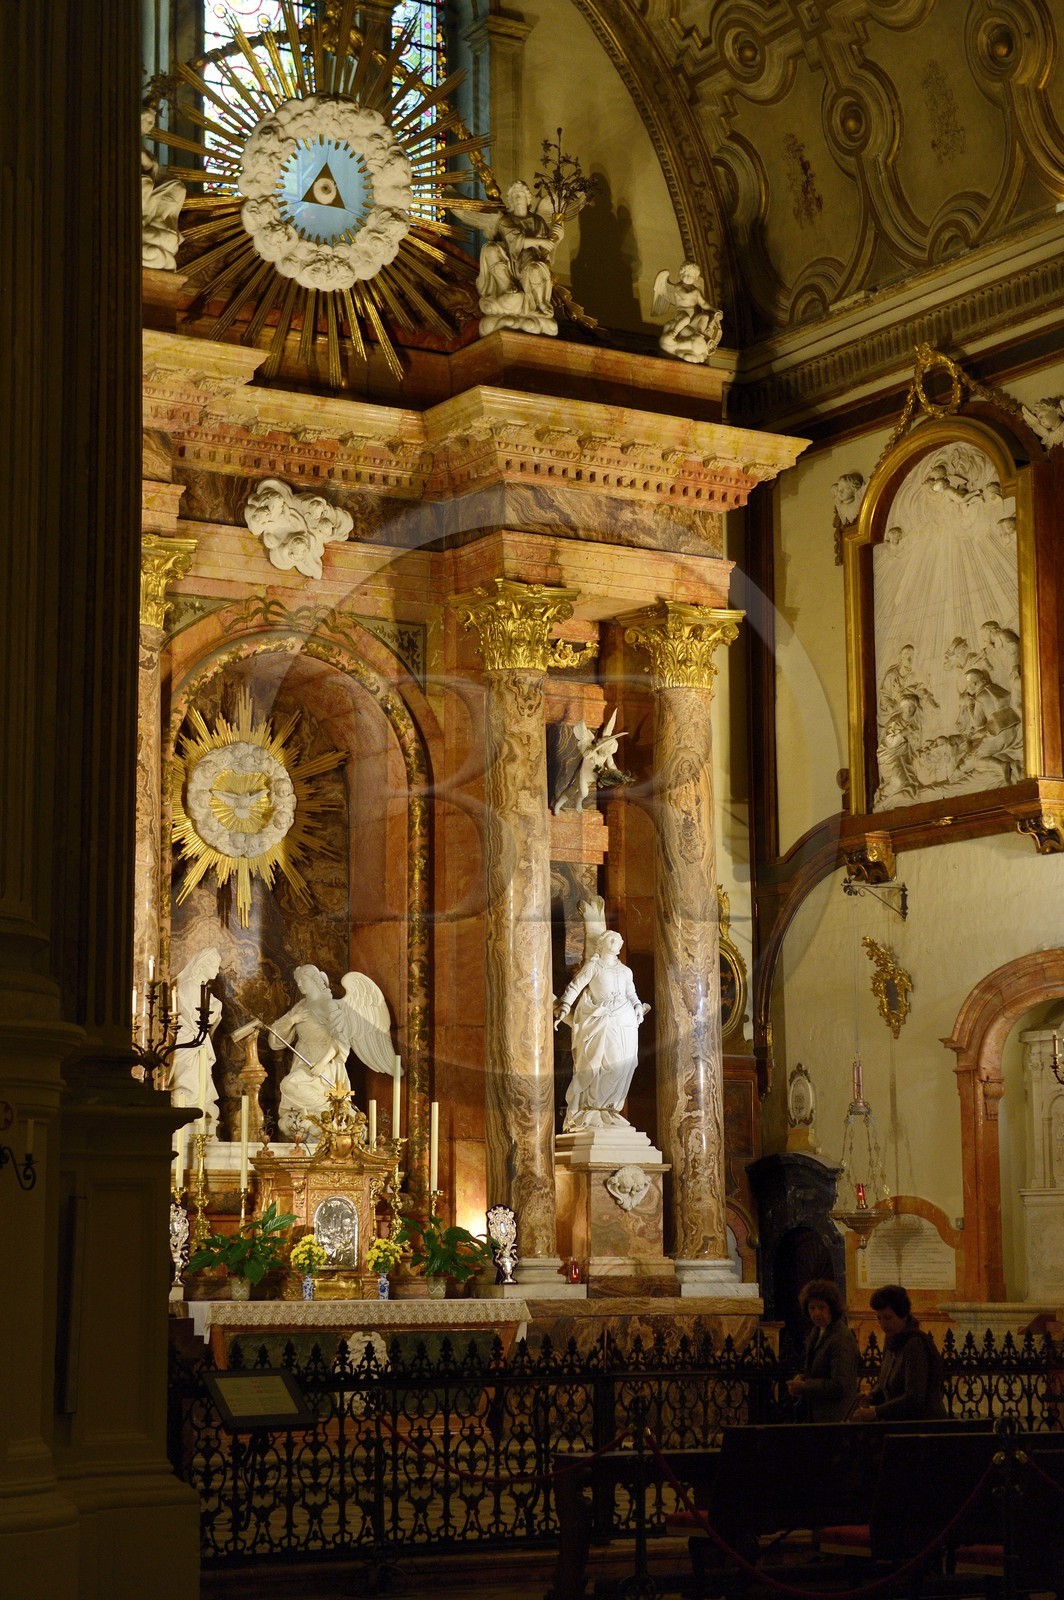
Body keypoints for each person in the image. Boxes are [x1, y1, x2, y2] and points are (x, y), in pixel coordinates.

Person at [553, 930, 650, 1131]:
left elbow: (631, 994)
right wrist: (564, 1006)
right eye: (612, 939)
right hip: (602, 1020)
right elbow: (575, 986)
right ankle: (591, 1109)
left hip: (625, 1022)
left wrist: (638, 1007)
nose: (617, 942)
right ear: (602, 943)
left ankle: (608, 1110)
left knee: (623, 1064)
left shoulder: (625, 971)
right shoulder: (594, 966)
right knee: (602, 1063)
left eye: (619, 940)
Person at [271, 964, 352, 1140]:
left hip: (324, 1062)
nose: (299, 984)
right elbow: (276, 1039)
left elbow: (341, 1038)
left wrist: (323, 1063)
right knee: (290, 1086)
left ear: (315, 981)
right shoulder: (300, 1006)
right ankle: (325, 1110)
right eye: (297, 980)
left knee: (288, 1084)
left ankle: (329, 1109)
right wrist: (291, 1020)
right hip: (303, 1058)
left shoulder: (328, 1005)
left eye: (303, 979)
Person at [851, 1284, 945, 1422]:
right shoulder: (891, 1341)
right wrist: (871, 1397)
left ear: (903, 1316)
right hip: (900, 1424)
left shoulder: (914, 1343)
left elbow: (914, 1397)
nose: (883, 1324)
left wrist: (876, 1412)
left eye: (888, 1318)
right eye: (879, 1318)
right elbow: (887, 1384)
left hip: (922, 1425)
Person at [786, 1279, 860, 1422]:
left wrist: (805, 1387)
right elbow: (818, 1370)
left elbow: (840, 1385)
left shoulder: (841, 1337)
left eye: (822, 1307)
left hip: (837, 1416)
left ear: (832, 1308)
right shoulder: (817, 1332)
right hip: (819, 1415)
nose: (817, 1313)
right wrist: (802, 1378)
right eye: (812, 1308)